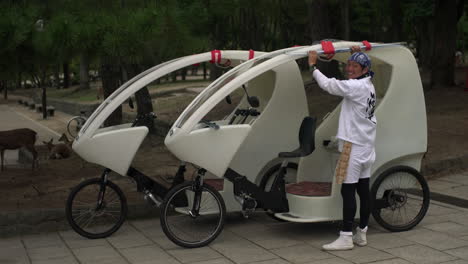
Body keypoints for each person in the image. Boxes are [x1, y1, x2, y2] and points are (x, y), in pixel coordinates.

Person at [308, 46, 377, 251]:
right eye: (349, 64)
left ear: (365, 69)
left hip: (353, 147)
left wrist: (313, 65)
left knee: (348, 192)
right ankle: (362, 233)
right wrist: (352, 55)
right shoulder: (368, 84)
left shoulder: (356, 87)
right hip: (366, 145)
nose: (350, 68)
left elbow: (330, 85)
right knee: (363, 191)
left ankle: (346, 236)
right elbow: (351, 79)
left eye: (355, 66)